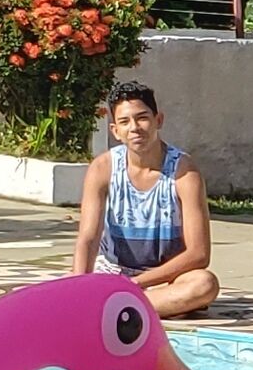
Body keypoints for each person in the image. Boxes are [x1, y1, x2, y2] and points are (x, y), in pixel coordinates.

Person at [71, 83, 218, 318]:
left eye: (142, 118)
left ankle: (112, 307)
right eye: (125, 122)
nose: (135, 128)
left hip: (166, 278)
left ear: (158, 120)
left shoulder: (184, 172)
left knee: (204, 285)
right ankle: (121, 306)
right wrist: (77, 288)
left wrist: (135, 284)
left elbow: (199, 253)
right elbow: (88, 239)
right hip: (113, 274)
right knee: (72, 284)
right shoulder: (103, 168)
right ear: (115, 130)